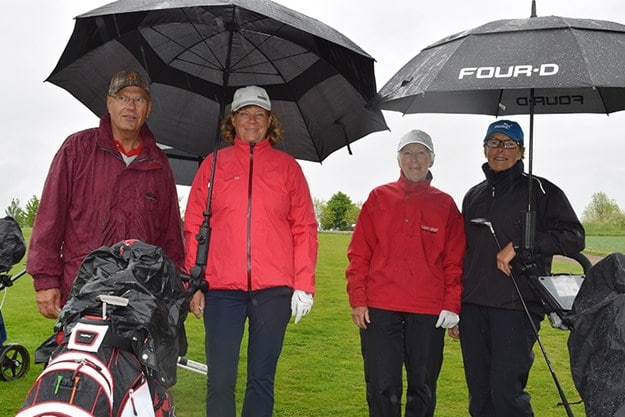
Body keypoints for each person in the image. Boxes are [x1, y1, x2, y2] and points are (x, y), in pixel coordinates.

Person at [183, 85, 318, 417]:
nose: (252, 120)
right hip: (220, 291)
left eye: (259, 114)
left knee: (261, 379)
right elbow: (193, 228)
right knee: (220, 380)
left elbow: (304, 227)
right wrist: (193, 284)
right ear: (234, 120)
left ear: (269, 120)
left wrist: (304, 284)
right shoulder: (213, 166)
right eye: (245, 113)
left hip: (273, 290)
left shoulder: (289, 168)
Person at [27, 69, 185, 319]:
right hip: (82, 289)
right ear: (109, 103)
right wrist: (45, 279)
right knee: (80, 358)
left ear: (149, 108)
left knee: (136, 360)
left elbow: (171, 235)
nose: (131, 106)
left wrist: (176, 282)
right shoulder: (76, 149)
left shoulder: (159, 163)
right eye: (123, 98)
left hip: (141, 295)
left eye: (139, 99)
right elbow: (49, 218)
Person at [459, 120, 585, 417]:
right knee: (480, 395)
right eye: (494, 142)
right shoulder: (472, 196)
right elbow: (463, 252)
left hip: (517, 306)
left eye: (509, 143)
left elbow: (574, 237)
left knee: (506, 393)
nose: (500, 149)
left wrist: (521, 246)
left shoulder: (542, 191)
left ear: (522, 151)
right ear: (484, 148)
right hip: (473, 306)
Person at [346, 129, 466, 417]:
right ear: (398, 159)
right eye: (408, 153)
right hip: (380, 308)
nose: (414, 160)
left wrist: (452, 304)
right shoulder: (379, 198)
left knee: (422, 388)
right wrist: (358, 299)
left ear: (432, 160)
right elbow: (359, 254)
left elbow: (454, 261)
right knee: (381, 386)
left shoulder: (446, 204)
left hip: (427, 311)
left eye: (421, 152)